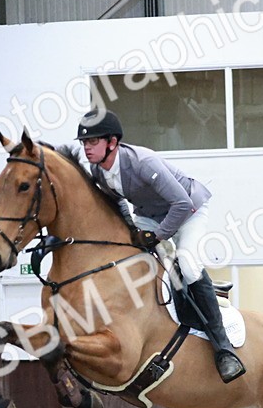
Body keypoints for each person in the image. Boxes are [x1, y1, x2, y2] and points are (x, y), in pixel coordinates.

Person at [59, 109, 245, 383]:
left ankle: (224, 349)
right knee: (132, 259)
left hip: (188, 211)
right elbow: (118, 201)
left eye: (93, 142)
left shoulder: (143, 162)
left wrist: (157, 236)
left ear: (112, 142)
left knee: (188, 265)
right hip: (150, 216)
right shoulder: (98, 170)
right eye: (84, 143)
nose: (87, 148)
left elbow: (182, 204)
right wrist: (131, 230)